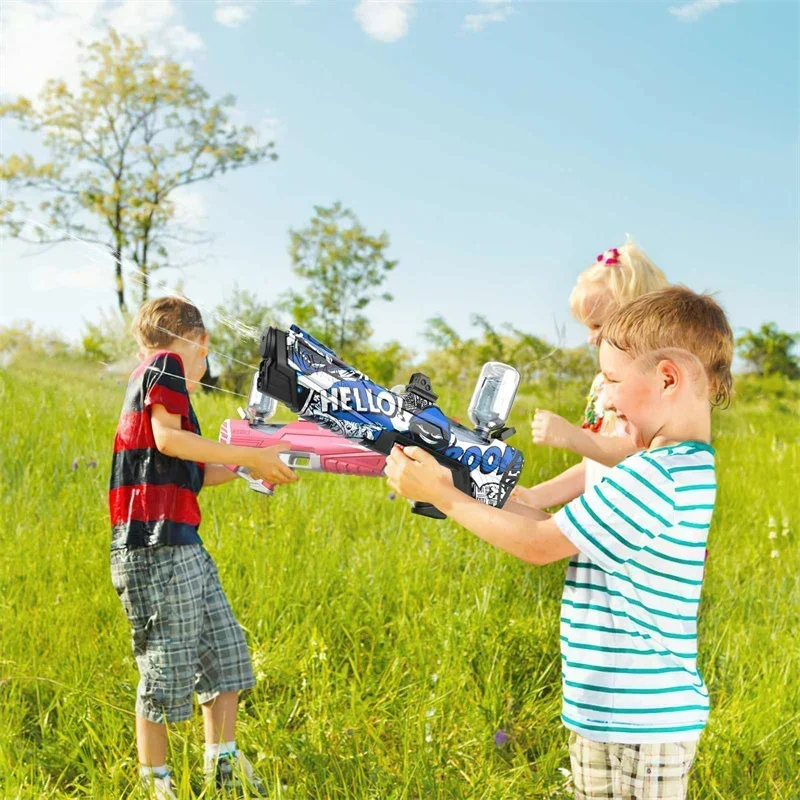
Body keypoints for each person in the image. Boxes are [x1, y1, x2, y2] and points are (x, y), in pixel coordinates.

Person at [385, 286, 733, 800]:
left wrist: (448, 498)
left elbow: (541, 543)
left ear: (667, 379)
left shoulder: (662, 477)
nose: (606, 398)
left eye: (613, 381)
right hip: (605, 710)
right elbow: (555, 523)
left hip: (645, 722)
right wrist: (459, 479)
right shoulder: (655, 469)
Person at [109, 296, 297, 799]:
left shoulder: (168, 397)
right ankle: (158, 786)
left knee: (226, 656)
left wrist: (247, 466)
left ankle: (224, 770)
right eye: (204, 357)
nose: (202, 369)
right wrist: (249, 453)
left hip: (181, 545)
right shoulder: (164, 365)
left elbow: (193, 471)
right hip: (155, 548)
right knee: (164, 671)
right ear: (200, 342)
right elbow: (170, 442)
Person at [514, 239, 668, 510]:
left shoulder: (659, 382)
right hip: (601, 527)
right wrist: (537, 496)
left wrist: (575, 437)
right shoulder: (602, 383)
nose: (589, 338)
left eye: (598, 325)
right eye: (586, 326)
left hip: (641, 532)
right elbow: (593, 464)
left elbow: (647, 457)